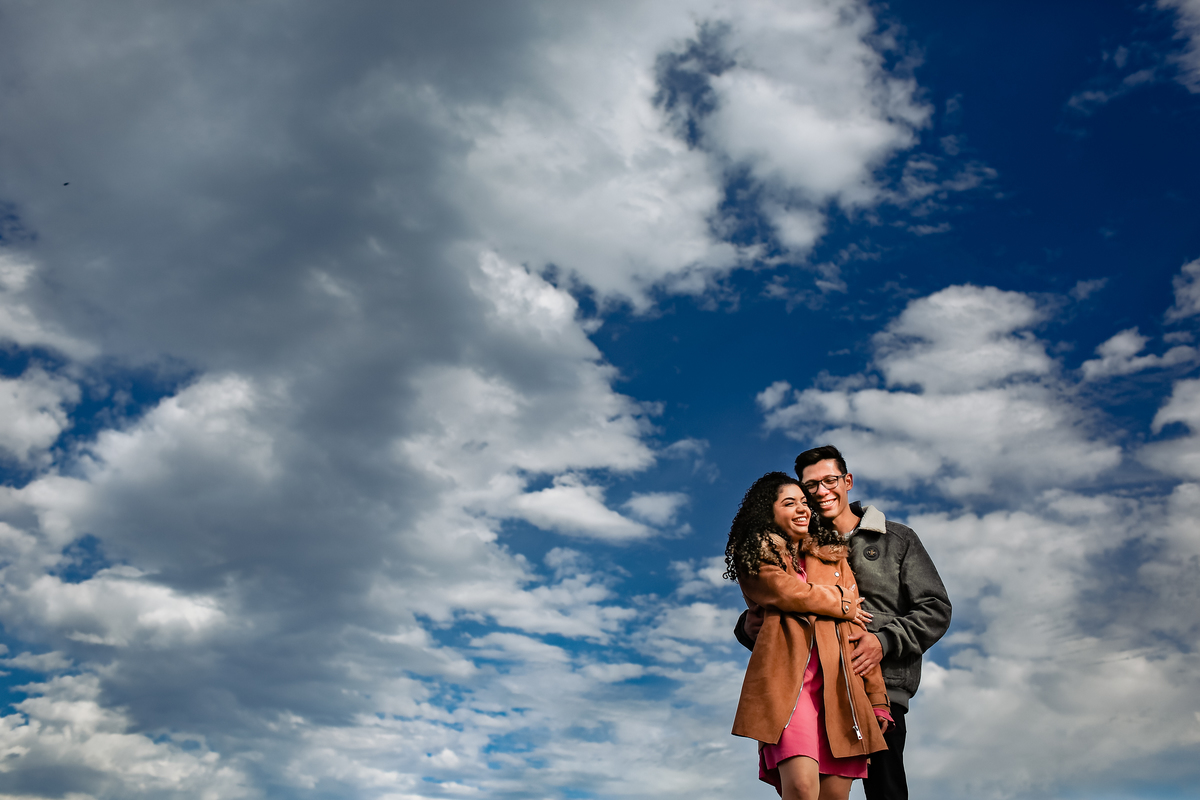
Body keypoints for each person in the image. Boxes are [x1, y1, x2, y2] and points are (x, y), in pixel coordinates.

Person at [736, 446, 952, 800]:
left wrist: (884, 642)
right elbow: (782, 592)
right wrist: (747, 625)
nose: (821, 492)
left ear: (847, 481)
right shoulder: (802, 544)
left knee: (886, 789)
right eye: (810, 487)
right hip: (817, 675)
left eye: (830, 480)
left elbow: (935, 608)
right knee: (811, 782)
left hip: (880, 679)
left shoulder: (896, 540)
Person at [726, 471, 892, 800]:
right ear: (767, 512)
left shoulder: (833, 558)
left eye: (805, 502)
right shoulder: (757, 554)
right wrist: (841, 602)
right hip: (787, 686)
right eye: (790, 503)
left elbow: (858, 629)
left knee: (833, 796)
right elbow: (786, 591)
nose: (803, 508)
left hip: (840, 687)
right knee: (801, 789)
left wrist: (877, 700)